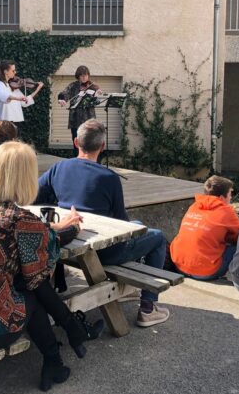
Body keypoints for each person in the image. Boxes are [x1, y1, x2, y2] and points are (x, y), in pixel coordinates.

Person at [0, 141, 104, 392]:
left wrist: (56, 228)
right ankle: (65, 341)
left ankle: (62, 348)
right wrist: (74, 228)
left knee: (25, 284)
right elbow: (39, 270)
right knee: (32, 290)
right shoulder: (20, 219)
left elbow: (28, 234)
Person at [36, 119, 170, 327]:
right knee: (158, 237)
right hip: (104, 252)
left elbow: (35, 195)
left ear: (76, 142)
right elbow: (122, 225)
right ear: (102, 146)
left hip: (70, 243)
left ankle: (127, 290)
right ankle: (148, 307)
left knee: (139, 224)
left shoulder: (59, 168)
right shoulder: (109, 177)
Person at [169, 176, 239, 280]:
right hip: (205, 272)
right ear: (222, 197)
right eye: (230, 193)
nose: (231, 197)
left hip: (179, 266)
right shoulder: (226, 211)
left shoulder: (194, 206)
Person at [57, 65, 102, 156]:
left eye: (86, 75)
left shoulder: (93, 87)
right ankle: (76, 160)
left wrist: (97, 95)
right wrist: (61, 99)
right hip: (75, 119)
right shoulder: (73, 86)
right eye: (81, 75)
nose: (84, 77)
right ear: (78, 76)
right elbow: (64, 93)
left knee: (90, 143)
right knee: (76, 143)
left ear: (88, 75)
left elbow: (97, 102)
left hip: (89, 119)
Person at [0, 60, 43, 133]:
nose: (15, 72)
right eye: (13, 71)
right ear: (5, 72)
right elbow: (3, 95)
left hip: (17, 121)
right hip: (5, 122)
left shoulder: (14, 87)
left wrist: (38, 89)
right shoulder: (0, 84)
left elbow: (25, 102)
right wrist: (17, 98)